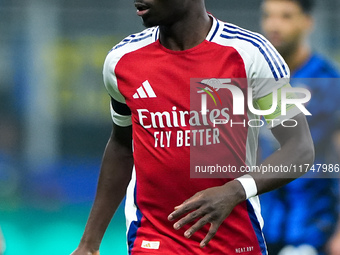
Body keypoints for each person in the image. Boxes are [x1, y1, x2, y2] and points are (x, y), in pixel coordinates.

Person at [71, 1, 314, 254]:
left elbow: (300, 148)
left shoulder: (250, 54)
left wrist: (235, 191)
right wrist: (89, 242)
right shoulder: (121, 61)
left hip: (234, 240)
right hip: (154, 238)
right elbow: (122, 145)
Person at [259, 0, 340, 254]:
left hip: (309, 232)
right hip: (258, 228)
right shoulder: (253, 78)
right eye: (269, 16)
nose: (274, 25)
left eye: (286, 16)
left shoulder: (329, 82)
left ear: (307, 22)